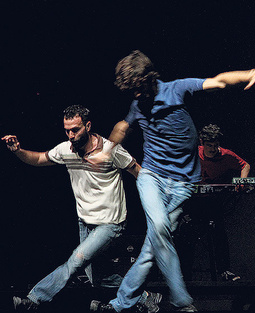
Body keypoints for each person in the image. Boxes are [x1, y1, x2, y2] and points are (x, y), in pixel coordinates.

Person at [89, 50, 255, 312]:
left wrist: (251, 72)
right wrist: (107, 151)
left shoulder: (176, 89)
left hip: (182, 185)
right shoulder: (137, 104)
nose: (136, 96)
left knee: (152, 246)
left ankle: (120, 304)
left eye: (138, 88)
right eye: (131, 91)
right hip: (152, 178)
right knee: (160, 229)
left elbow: (219, 80)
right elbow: (123, 126)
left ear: (150, 78)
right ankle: (183, 303)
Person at [2, 105, 162, 312]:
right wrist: (18, 151)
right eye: (67, 130)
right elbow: (39, 159)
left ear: (87, 126)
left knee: (74, 262)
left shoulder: (110, 150)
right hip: (85, 223)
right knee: (99, 278)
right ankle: (144, 296)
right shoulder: (65, 150)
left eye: (75, 130)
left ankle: (33, 299)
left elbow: (138, 172)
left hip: (110, 223)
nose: (71, 135)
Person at [176, 124, 250, 282]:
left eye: (216, 146)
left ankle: (224, 270)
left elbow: (245, 165)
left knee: (218, 229)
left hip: (212, 201)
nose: (213, 149)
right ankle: (184, 274)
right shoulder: (193, 154)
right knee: (187, 232)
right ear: (202, 143)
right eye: (209, 145)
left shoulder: (226, 155)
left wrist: (242, 182)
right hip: (193, 201)